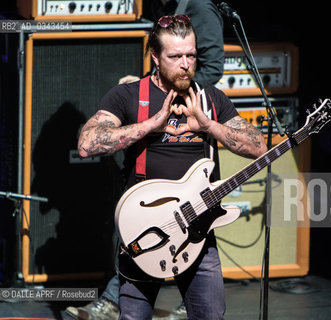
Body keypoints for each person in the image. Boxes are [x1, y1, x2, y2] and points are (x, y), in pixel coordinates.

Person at [75, 14, 266, 320]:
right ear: (155, 57)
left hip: (199, 232)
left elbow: (258, 147)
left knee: (211, 316)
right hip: (146, 227)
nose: (185, 64)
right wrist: (150, 124)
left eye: (191, 55)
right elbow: (87, 143)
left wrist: (208, 125)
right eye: (175, 56)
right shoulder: (129, 95)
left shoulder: (211, 98)